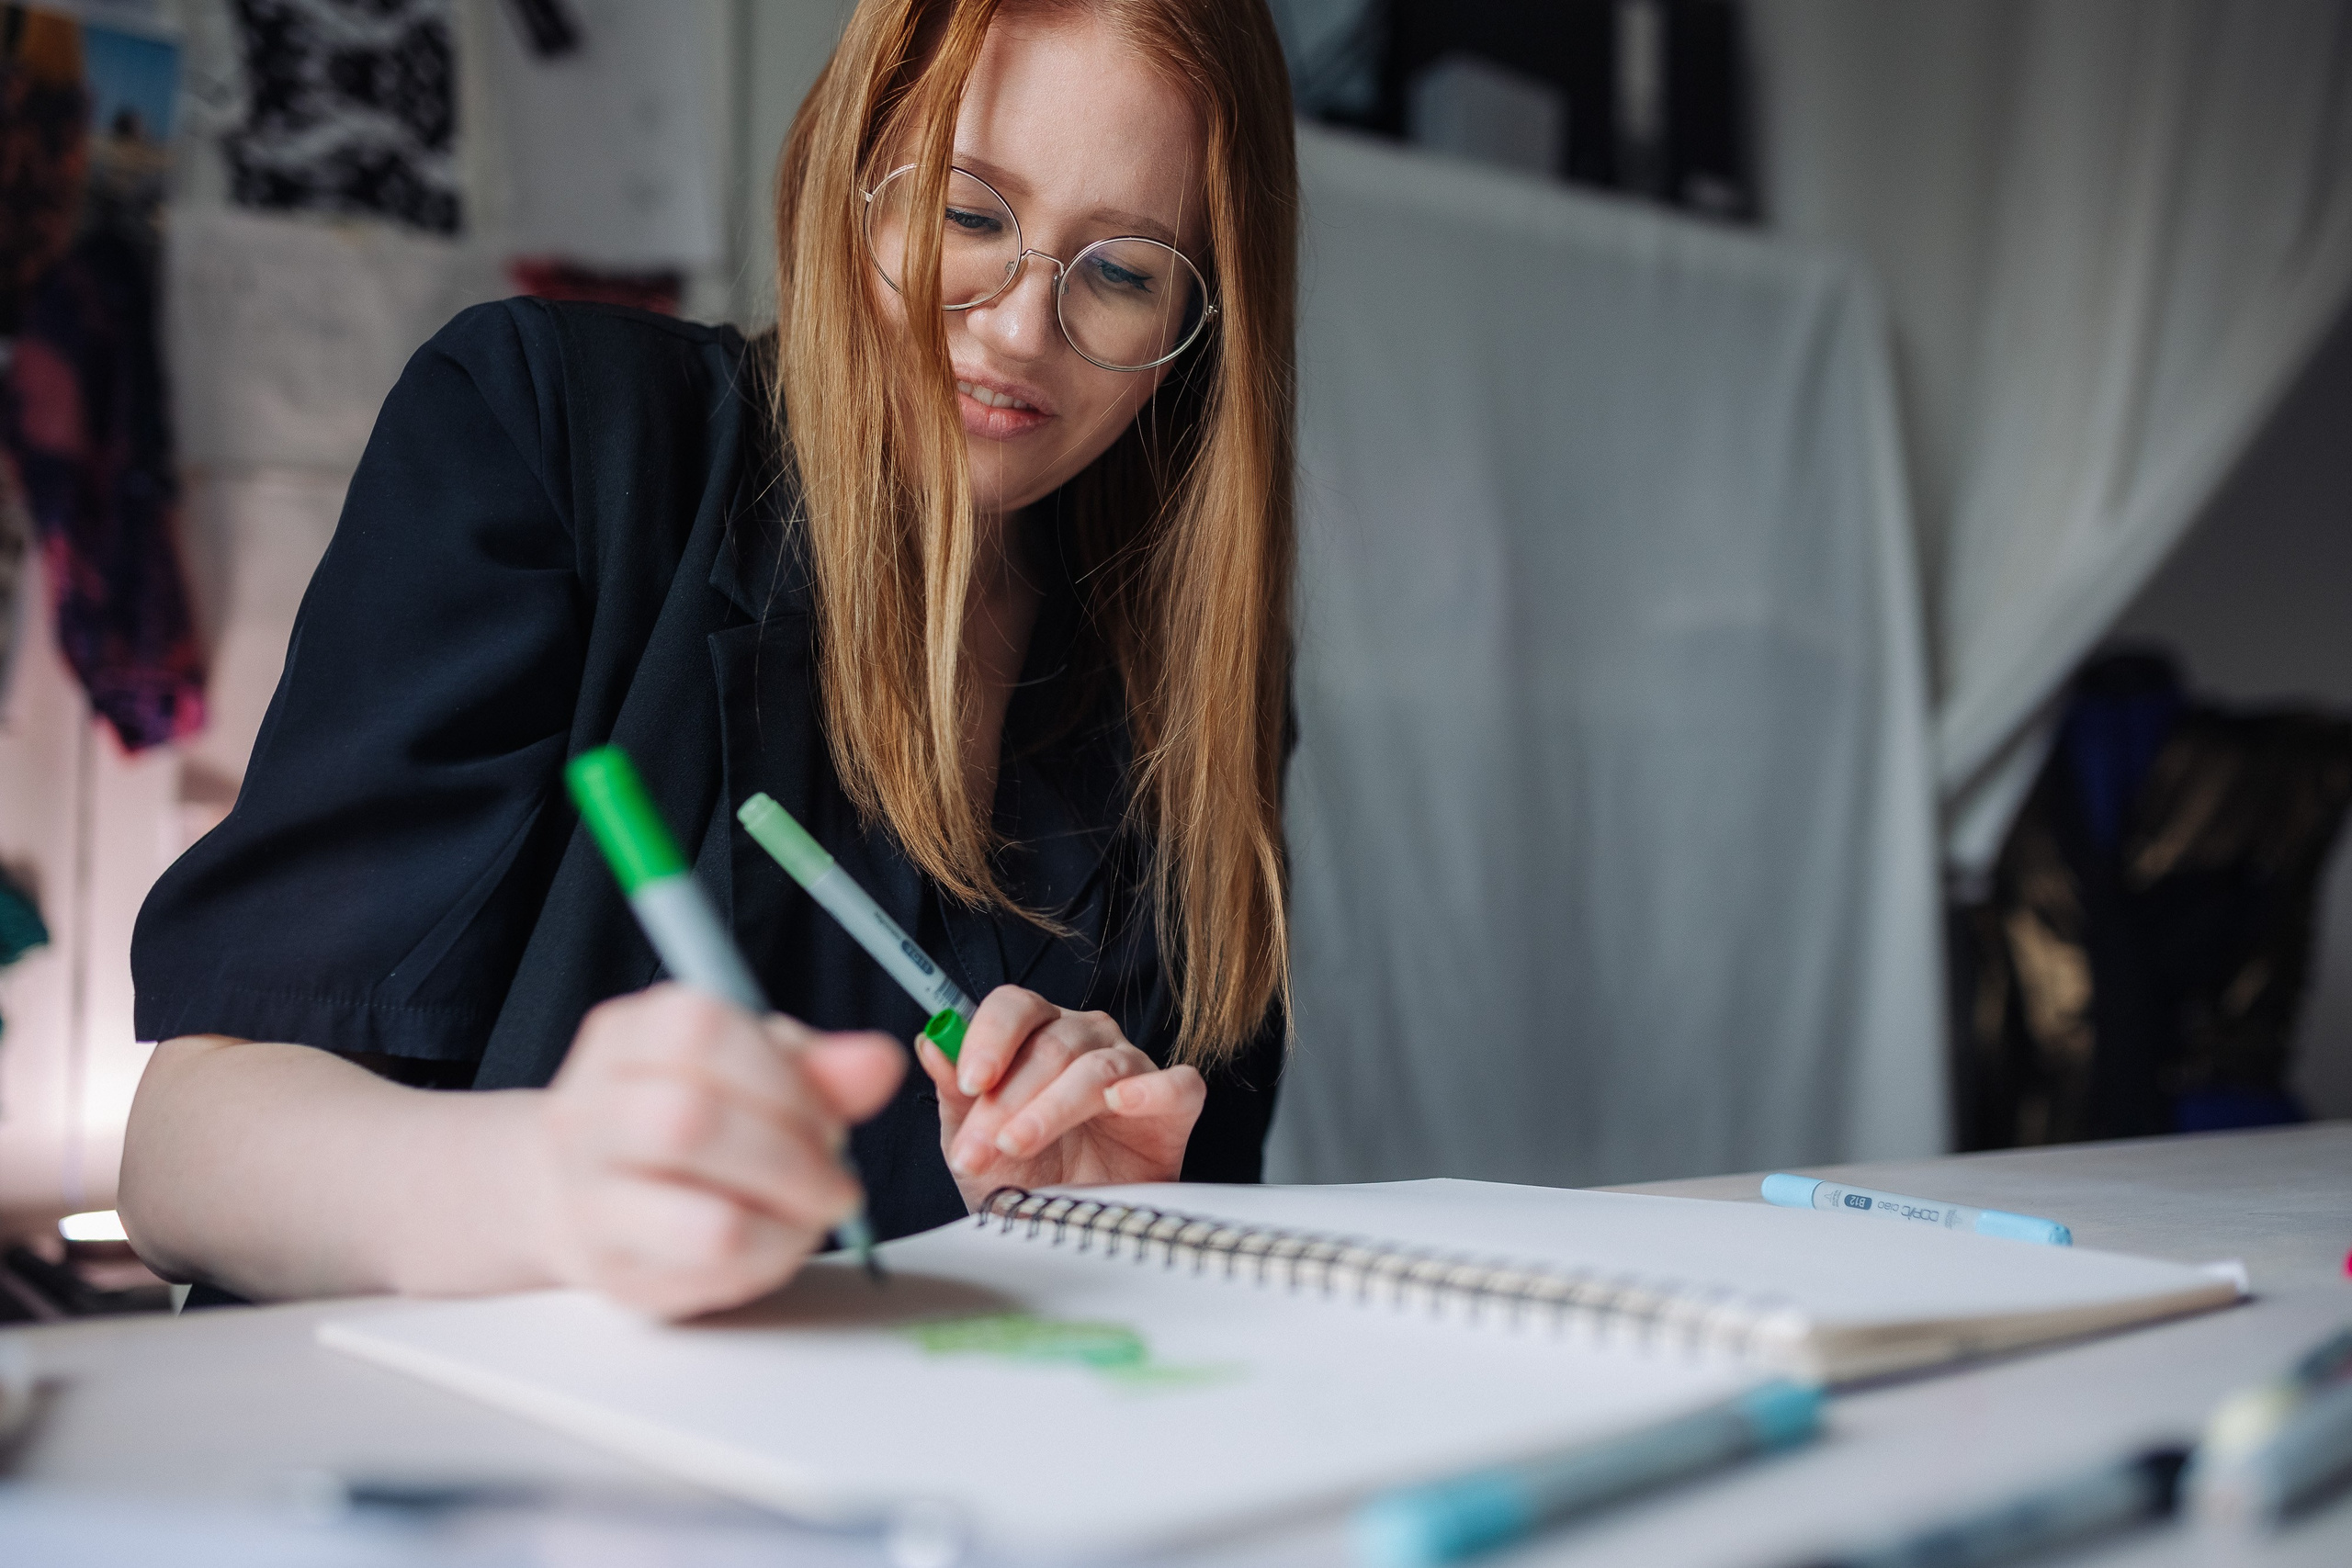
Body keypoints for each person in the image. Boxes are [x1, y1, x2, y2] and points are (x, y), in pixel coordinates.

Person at [118, 0, 1297, 1321]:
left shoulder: (1189, 687)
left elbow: (1180, 1255)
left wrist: (1100, 1233)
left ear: (1204, 324)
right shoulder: (553, 436)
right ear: (848, 173)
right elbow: (178, 1160)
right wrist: (550, 1185)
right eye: (966, 213)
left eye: (1125, 273)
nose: (1022, 329)